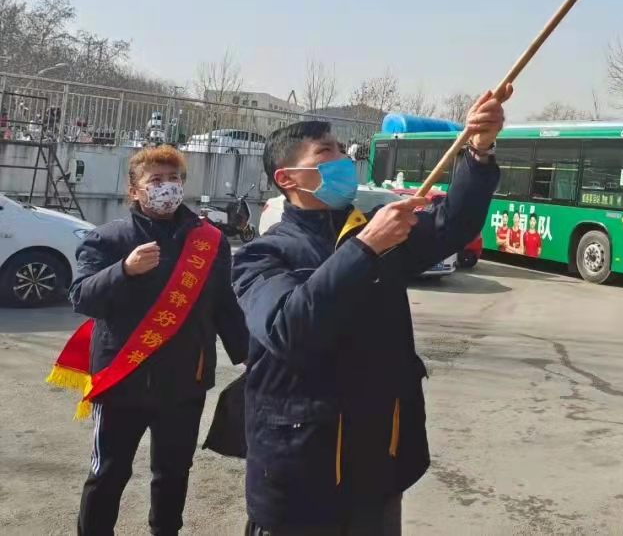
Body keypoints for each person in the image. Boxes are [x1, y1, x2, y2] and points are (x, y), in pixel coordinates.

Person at [232, 89, 508, 536]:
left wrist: (478, 149)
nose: (344, 159)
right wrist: (365, 248)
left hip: (380, 456)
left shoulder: (373, 227)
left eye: (342, 150)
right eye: (326, 152)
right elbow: (288, 329)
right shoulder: (262, 255)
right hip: (300, 469)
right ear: (288, 177)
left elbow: (452, 223)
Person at [64, 145, 248, 536]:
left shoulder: (209, 241)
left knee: (173, 472)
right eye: (157, 180)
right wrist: (124, 270)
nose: (168, 187)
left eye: (175, 179)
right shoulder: (109, 239)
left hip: (185, 382)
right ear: (135, 191)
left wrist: (252, 356)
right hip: (121, 380)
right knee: (108, 472)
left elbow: (223, 305)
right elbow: (82, 298)